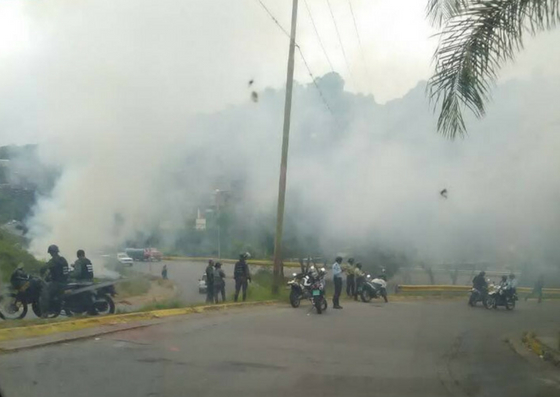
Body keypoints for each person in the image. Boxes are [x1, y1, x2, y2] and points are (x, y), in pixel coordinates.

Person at [40, 244, 69, 317]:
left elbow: (44, 268)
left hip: (57, 283)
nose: (50, 254)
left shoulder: (53, 261)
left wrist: (41, 271)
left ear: (52, 252)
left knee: (45, 293)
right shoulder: (63, 259)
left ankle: (45, 312)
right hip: (65, 281)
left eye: (50, 252)